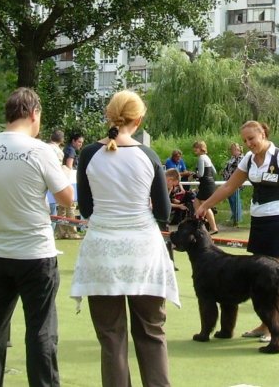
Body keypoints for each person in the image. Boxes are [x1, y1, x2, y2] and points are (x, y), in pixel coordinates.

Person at [70, 90, 180, 387]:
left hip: (102, 251)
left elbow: (87, 208)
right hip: (143, 250)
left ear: (109, 115)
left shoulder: (90, 154)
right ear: (139, 119)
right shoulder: (149, 156)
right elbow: (164, 212)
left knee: (111, 336)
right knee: (152, 332)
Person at [0, 87, 74, 387]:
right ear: (33, 113)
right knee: (41, 331)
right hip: (34, 255)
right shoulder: (39, 150)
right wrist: (64, 169)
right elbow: (66, 198)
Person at [194, 120, 279, 341]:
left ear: (263, 134)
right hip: (258, 220)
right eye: (245, 140)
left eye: (252, 139)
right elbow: (229, 186)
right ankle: (266, 324)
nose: (248, 144)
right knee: (260, 278)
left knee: (275, 277)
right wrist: (206, 205)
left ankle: (275, 328)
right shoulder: (248, 159)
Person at [57, 132, 84, 239]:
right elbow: (69, 167)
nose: (80, 144)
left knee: (62, 208)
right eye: (79, 142)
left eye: (82, 142)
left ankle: (61, 232)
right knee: (70, 206)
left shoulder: (66, 149)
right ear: (73, 141)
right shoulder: (71, 151)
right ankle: (72, 232)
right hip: (68, 181)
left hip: (61, 182)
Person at [192, 140, 219, 234]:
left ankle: (214, 228)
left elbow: (201, 174)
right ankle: (201, 224)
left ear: (201, 148)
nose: (194, 150)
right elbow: (214, 172)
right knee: (196, 203)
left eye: (196, 148)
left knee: (205, 206)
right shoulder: (207, 158)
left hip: (206, 184)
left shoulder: (201, 158)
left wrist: (194, 175)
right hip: (208, 183)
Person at [222, 142, 244, 227]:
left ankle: (238, 219)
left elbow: (239, 170)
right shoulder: (232, 157)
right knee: (231, 200)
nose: (232, 151)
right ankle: (234, 216)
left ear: (238, 149)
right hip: (228, 182)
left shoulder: (241, 158)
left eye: (233, 149)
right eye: (231, 149)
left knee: (235, 200)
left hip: (235, 183)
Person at [47, 129, 65, 218]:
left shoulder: (43, 147)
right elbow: (57, 169)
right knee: (52, 209)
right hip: (51, 182)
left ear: (51, 137)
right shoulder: (59, 152)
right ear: (62, 140)